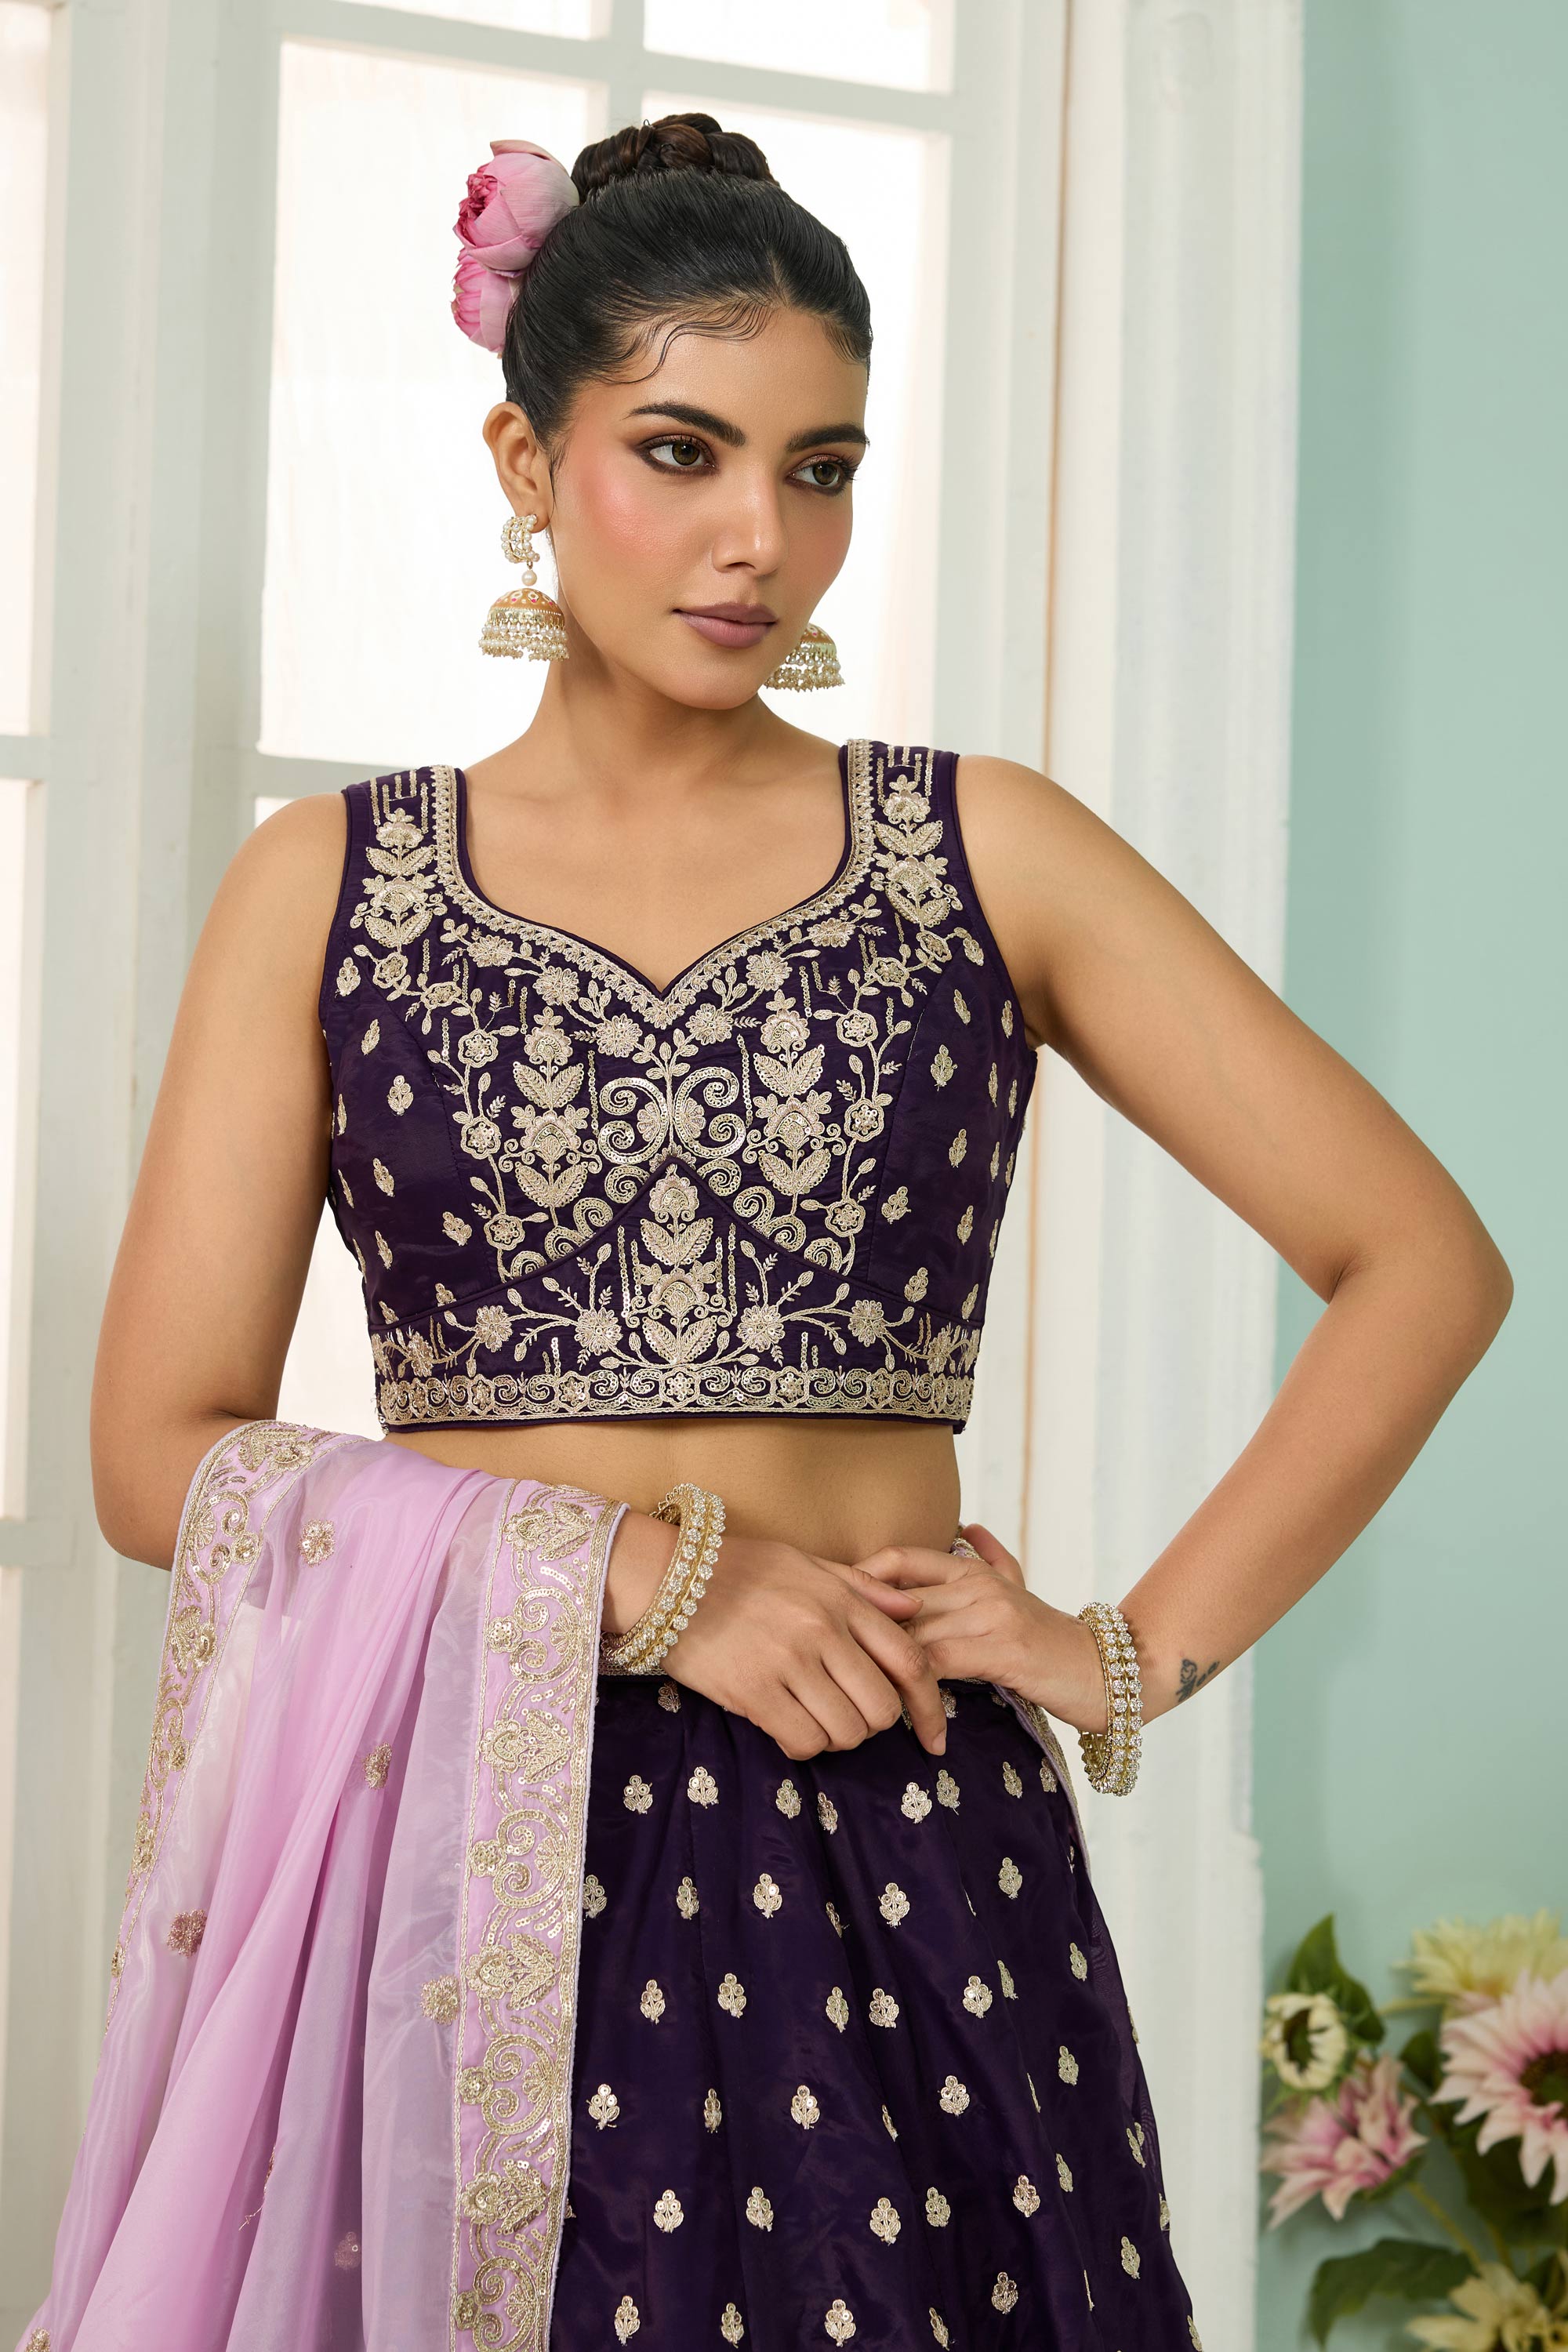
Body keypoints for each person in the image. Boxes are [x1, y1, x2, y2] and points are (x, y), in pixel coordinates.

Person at [21, 114, 1510, 2352]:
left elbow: (1423, 1261)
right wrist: (637, 1575)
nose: (760, 540)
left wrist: (1124, 1651)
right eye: (683, 452)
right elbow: (158, 1454)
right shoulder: (325, 888)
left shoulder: (983, 852)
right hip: (480, 1854)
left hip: (905, 1844)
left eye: (821, 471)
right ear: (524, 461)